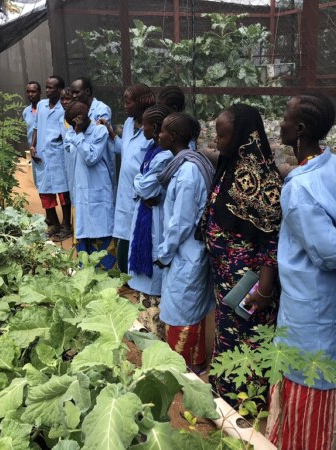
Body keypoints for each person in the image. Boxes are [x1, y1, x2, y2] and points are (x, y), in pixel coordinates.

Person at [266, 93, 336, 450]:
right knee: (328, 375)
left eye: (286, 118)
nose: (281, 124)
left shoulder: (299, 188)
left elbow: (329, 253)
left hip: (311, 304)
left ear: (301, 129)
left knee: (308, 380)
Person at [203, 104, 283, 407]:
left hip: (249, 286)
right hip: (225, 281)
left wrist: (263, 290)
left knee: (247, 339)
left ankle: (247, 404)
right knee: (228, 336)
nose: (216, 142)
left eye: (222, 135)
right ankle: (224, 396)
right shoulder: (229, 168)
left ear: (241, 136)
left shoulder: (264, 181)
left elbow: (271, 242)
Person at [155, 112, 215, 373]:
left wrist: (165, 253)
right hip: (187, 252)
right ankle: (194, 362)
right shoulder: (185, 164)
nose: (159, 135)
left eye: (163, 131)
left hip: (185, 252)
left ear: (175, 136)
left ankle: (181, 367)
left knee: (181, 310)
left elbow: (181, 223)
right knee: (188, 307)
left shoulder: (189, 171)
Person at [128, 104, 173, 340]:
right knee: (144, 286)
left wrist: (139, 180)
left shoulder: (165, 156)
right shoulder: (152, 150)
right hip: (146, 217)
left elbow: (145, 187)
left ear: (154, 127)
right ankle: (147, 331)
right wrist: (141, 182)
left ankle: (155, 338)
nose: (140, 127)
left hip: (156, 223)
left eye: (144, 124)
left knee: (154, 283)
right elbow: (143, 186)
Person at [100, 83, 156, 273]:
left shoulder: (152, 131)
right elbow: (125, 149)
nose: (125, 105)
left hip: (141, 194)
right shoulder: (130, 123)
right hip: (125, 192)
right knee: (124, 236)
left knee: (139, 238)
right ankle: (125, 275)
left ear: (140, 103)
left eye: (128, 102)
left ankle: (136, 280)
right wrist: (110, 132)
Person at [64, 101, 116, 270]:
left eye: (74, 123)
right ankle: (85, 274)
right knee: (83, 234)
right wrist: (75, 133)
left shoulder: (99, 131)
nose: (72, 127)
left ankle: (107, 276)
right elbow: (69, 149)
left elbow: (91, 158)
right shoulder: (71, 133)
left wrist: (78, 135)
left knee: (102, 234)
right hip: (80, 192)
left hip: (98, 193)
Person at [31, 75, 72, 241]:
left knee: (63, 192)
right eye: (46, 87)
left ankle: (66, 225)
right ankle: (53, 223)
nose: (48, 90)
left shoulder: (65, 108)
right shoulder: (41, 105)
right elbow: (35, 127)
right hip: (41, 154)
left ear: (60, 89)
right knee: (45, 191)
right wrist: (33, 147)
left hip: (58, 155)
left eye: (51, 88)